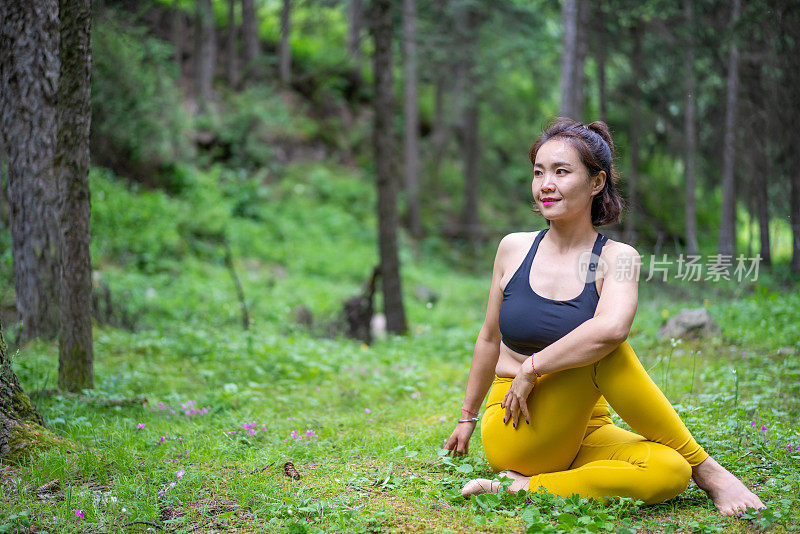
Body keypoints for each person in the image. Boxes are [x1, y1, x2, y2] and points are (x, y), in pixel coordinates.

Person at [444, 118, 765, 517]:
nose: (546, 183)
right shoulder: (513, 249)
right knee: (604, 349)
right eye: (539, 172)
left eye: (561, 172)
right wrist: (467, 418)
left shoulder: (620, 258)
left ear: (596, 183)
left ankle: (521, 488)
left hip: (587, 427)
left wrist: (534, 365)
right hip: (516, 423)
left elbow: (614, 326)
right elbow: (490, 339)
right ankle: (711, 471)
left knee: (669, 470)